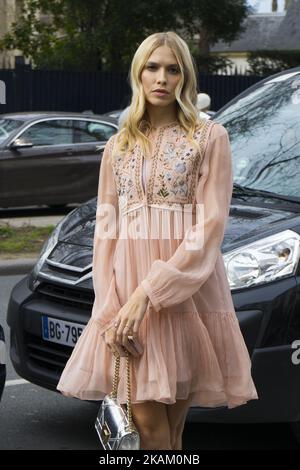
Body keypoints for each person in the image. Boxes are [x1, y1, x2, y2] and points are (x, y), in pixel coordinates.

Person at [57, 31, 259, 450]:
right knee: (150, 428)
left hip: (186, 299)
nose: (162, 78)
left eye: (173, 69)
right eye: (152, 67)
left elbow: (209, 229)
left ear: (185, 77)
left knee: (169, 432)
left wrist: (148, 293)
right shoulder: (118, 146)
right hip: (128, 303)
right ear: (138, 74)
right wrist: (111, 307)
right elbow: (106, 233)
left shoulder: (208, 138)